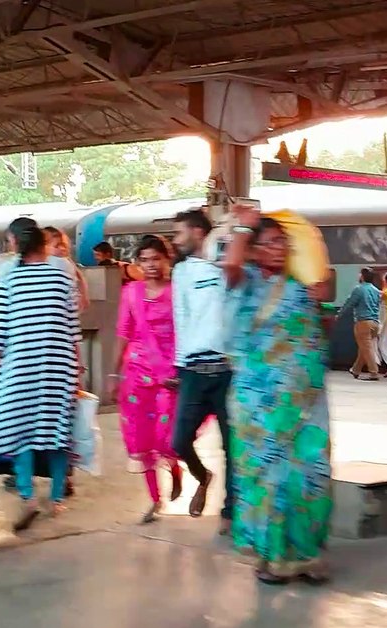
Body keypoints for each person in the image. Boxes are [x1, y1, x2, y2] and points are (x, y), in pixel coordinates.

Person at [222, 206, 335, 584]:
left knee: (310, 471)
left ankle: (307, 553)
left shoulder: (300, 287)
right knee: (267, 476)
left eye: (283, 243)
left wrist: (321, 295)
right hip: (260, 404)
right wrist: (242, 227)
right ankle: (271, 556)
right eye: (269, 243)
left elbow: (315, 330)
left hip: (306, 402)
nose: (279, 249)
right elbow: (231, 266)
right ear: (252, 251)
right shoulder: (245, 280)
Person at [0, 225, 81, 533]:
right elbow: (73, 327)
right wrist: (77, 368)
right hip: (57, 365)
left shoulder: (8, 279)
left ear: (18, 244)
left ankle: (29, 496)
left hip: (19, 366)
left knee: (19, 431)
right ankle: (58, 498)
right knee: (57, 432)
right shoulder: (62, 275)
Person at [171, 208, 236, 532]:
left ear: (198, 233)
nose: (175, 240)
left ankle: (230, 510)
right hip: (194, 370)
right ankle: (202, 476)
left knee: (231, 445)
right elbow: (181, 318)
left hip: (227, 369)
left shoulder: (225, 263)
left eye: (180, 233)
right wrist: (179, 366)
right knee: (179, 440)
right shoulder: (180, 272)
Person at [114, 235, 183, 525]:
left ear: (167, 260)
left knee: (167, 439)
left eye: (156, 258)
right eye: (144, 260)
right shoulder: (131, 292)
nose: (151, 265)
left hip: (171, 374)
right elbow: (123, 331)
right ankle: (155, 499)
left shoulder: (179, 291)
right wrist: (112, 371)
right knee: (142, 440)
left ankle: (177, 469)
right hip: (137, 375)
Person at [338, 267, 382, 380]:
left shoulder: (359, 289)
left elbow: (349, 303)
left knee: (366, 348)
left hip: (363, 323)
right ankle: (356, 370)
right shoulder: (377, 291)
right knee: (364, 348)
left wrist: (339, 314)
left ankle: (374, 372)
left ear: (362, 276)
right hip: (375, 324)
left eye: (359, 274)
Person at [44, 227, 90, 312]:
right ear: (44, 247)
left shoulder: (62, 261)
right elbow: (80, 277)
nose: (62, 249)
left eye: (63, 245)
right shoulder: (63, 261)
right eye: (57, 246)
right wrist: (84, 296)